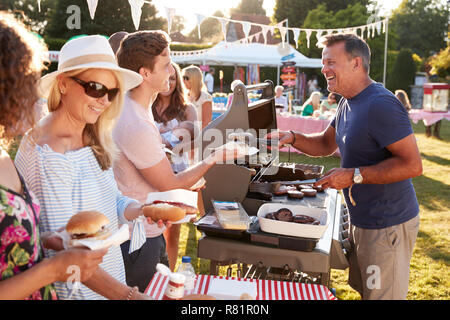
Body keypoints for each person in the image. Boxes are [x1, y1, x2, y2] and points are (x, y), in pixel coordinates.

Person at [268, 33, 422, 300]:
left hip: (387, 225)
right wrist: (292, 137)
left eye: (330, 62)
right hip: (362, 220)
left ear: (356, 63)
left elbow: (412, 165)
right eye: (323, 62)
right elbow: (326, 143)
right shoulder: (346, 101)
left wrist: (354, 176)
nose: (323, 69)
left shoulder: (381, 104)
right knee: (367, 291)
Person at [14, 35, 155, 300]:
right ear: (63, 84)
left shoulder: (93, 137)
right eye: (95, 88)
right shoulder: (48, 152)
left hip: (109, 281)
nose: (105, 101)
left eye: (112, 92)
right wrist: (131, 296)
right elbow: (66, 253)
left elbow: (109, 201)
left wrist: (141, 210)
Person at [114, 31, 245, 289]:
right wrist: (216, 156)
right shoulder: (137, 122)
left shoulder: (133, 108)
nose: (171, 73)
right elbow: (169, 184)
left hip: (142, 230)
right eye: (165, 66)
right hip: (137, 239)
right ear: (145, 73)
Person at [0, 11, 108, 301]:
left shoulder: (3, 154)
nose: (29, 95)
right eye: (22, 80)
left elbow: (15, 240)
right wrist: (53, 268)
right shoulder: (45, 150)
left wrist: (51, 239)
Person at [152, 62, 198, 270]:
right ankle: (152, 273)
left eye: (173, 78)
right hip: (150, 173)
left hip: (178, 173)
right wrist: (172, 135)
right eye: (166, 77)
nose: (169, 83)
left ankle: (169, 273)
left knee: (173, 231)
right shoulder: (146, 106)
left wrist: (160, 138)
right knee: (152, 227)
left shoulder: (187, 109)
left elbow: (194, 137)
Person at [182, 65, 213, 130]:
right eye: (182, 78)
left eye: (186, 78)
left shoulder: (206, 97)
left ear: (194, 79)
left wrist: (195, 138)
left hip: (198, 136)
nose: (183, 81)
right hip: (182, 135)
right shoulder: (183, 96)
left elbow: (205, 123)